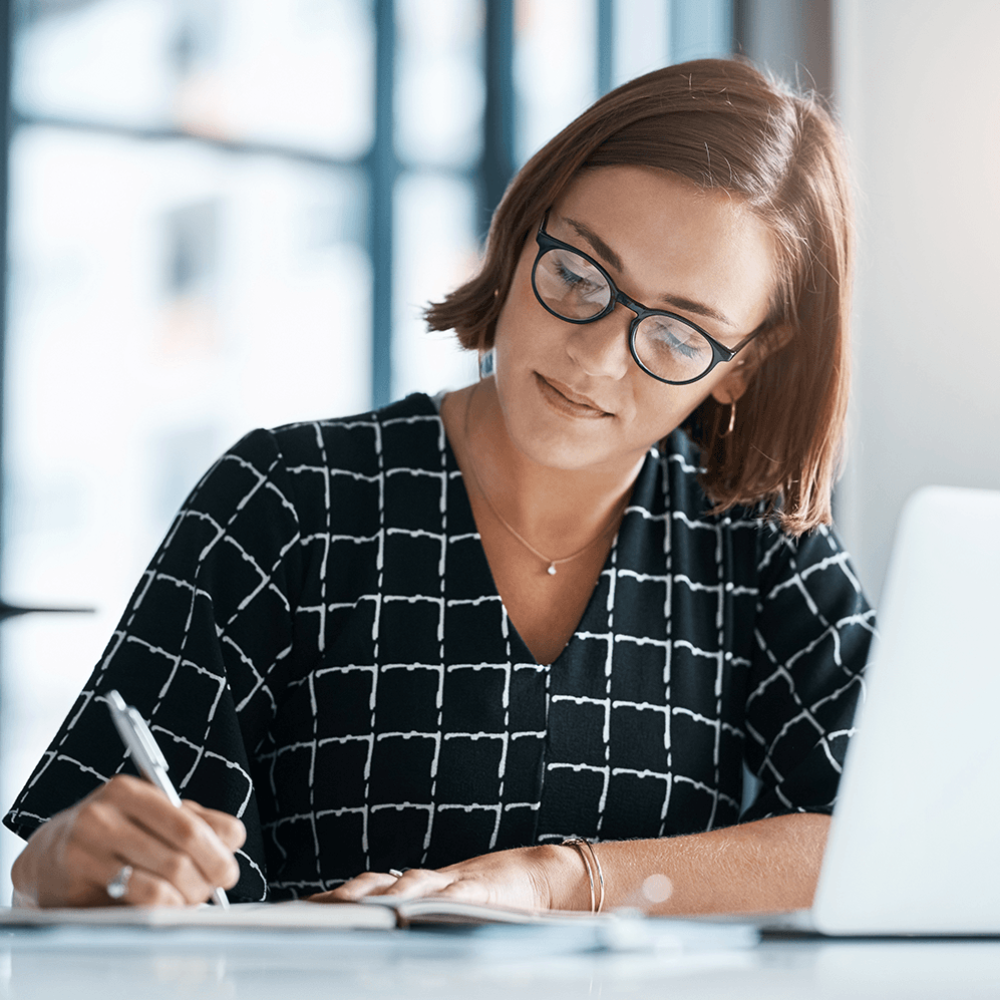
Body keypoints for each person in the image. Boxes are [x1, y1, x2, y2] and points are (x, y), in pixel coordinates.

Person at [5, 57, 874, 913]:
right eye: (577, 276)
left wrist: (561, 880)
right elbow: (82, 862)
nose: (596, 357)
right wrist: (64, 869)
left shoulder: (757, 541)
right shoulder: (287, 503)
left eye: (680, 336)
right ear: (523, 226)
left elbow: (882, 834)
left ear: (742, 366)